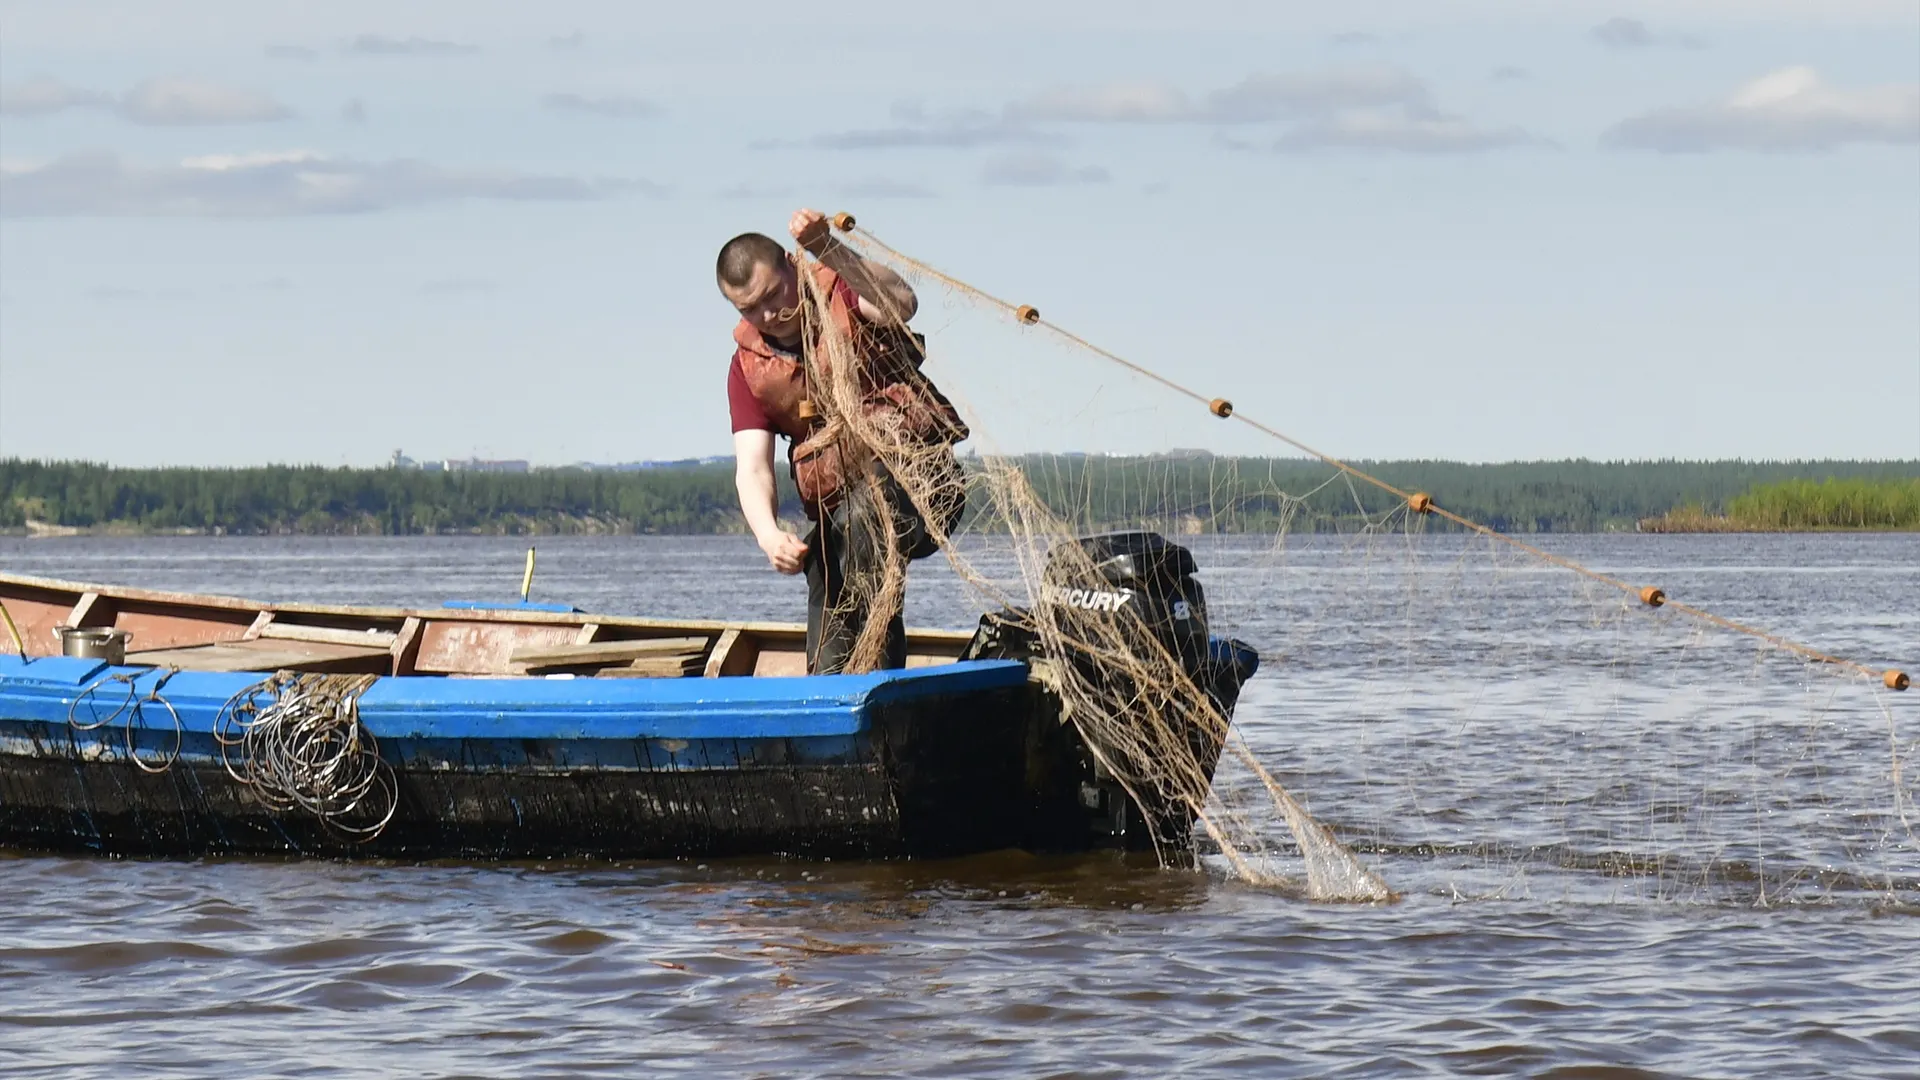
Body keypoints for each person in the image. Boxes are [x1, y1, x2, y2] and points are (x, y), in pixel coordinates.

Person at [717, 208, 967, 674]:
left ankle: (878, 693)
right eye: (749, 308)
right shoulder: (747, 369)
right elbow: (752, 467)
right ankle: (830, 695)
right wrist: (768, 535)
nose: (768, 314)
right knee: (827, 560)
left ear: (792, 267)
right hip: (845, 520)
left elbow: (901, 303)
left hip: (926, 490)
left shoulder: (844, 292)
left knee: (860, 522)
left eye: (772, 294)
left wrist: (826, 246)